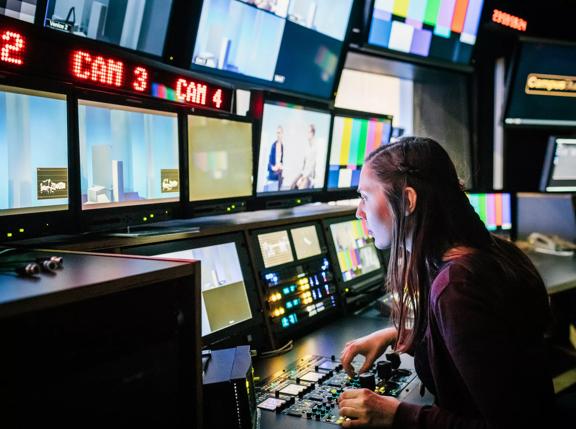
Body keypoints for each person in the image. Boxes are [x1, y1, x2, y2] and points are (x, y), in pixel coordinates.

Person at [338, 137, 554, 428]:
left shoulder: (456, 287)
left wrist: (396, 414)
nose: (358, 212)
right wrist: (398, 334)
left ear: (408, 201)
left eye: (365, 196)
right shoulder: (491, 252)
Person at [290, 124, 318, 190]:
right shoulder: (307, 148)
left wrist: (303, 178)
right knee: (292, 186)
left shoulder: (315, 148)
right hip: (304, 174)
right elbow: (304, 165)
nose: (307, 134)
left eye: (308, 132)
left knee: (300, 188)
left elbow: (312, 168)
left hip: (310, 176)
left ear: (312, 133)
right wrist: (300, 176)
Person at [265, 125, 284, 192]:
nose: (278, 134)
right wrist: (273, 168)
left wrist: (281, 166)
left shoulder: (282, 146)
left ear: (282, 134)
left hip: (278, 179)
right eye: (277, 133)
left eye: (279, 133)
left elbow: (280, 162)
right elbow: (269, 163)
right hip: (272, 179)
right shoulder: (273, 146)